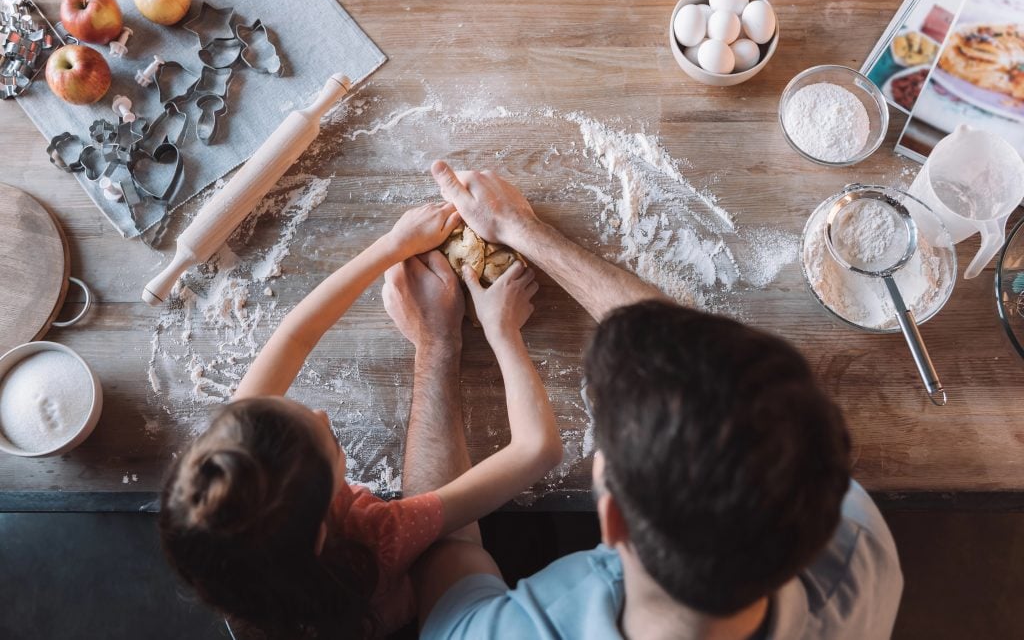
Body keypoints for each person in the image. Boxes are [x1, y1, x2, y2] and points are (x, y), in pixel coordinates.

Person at [407, 163, 903, 639]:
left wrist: (436, 343)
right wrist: (522, 229)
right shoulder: (861, 554)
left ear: (613, 520)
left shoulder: (507, 632)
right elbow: (703, 368)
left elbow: (442, 548)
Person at [158, 202, 563, 639]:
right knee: (450, 556)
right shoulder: (377, 539)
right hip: (368, 607)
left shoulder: (236, 468)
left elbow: (295, 336)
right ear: (320, 528)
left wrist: (393, 246)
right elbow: (537, 448)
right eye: (327, 444)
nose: (321, 414)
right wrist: (502, 330)